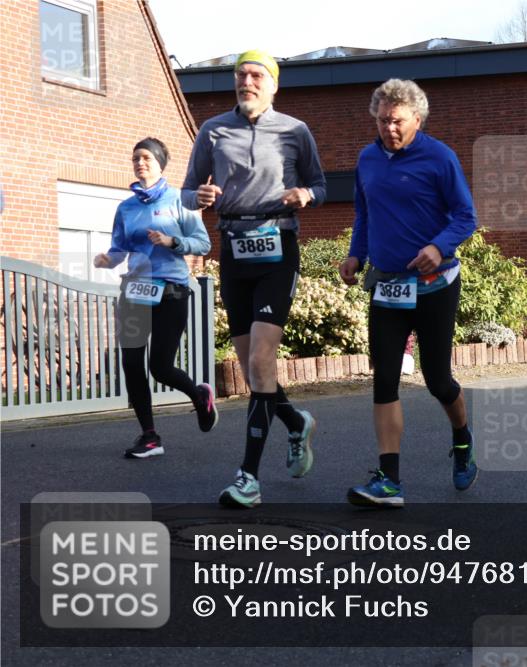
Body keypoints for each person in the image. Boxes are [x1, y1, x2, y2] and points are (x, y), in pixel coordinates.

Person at [182, 50, 327, 507]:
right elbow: (187, 191)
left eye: (256, 75)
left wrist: (306, 193)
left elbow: (323, 186)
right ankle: (296, 423)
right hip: (233, 248)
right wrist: (198, 196)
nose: (247, 81)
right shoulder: (212, 129)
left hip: (277, 246)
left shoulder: (295, 130)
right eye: (241, 74)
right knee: (252, 370)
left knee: (262, 360)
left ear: (273, 84)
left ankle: (248, 477)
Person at [339, 79, 478, 507]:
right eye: (382, 121)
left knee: (437, 379)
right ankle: (389, 479)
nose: (388, 129)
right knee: (384, 377)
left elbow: (465, 216)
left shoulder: (440, 158)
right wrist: (355, 254)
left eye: (396, 121)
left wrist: (439, 247)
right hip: (388, 285)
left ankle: (461, 439)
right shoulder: (367, 159)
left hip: (435, 285)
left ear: (417, 118)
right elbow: (364, 213)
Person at [94, 138, 215, 458]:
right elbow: (120, 249)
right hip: (135, 289)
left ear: (161, 163)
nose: (140, 162)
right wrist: (109, 259)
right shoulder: (126, 208)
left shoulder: (180, 200)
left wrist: (171, 241)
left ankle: (199, 394)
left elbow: (203, 244)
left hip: (171, 290)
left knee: (160, 367)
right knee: (131, 362)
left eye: (146, 157)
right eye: (135, 158)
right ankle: (149, 436)